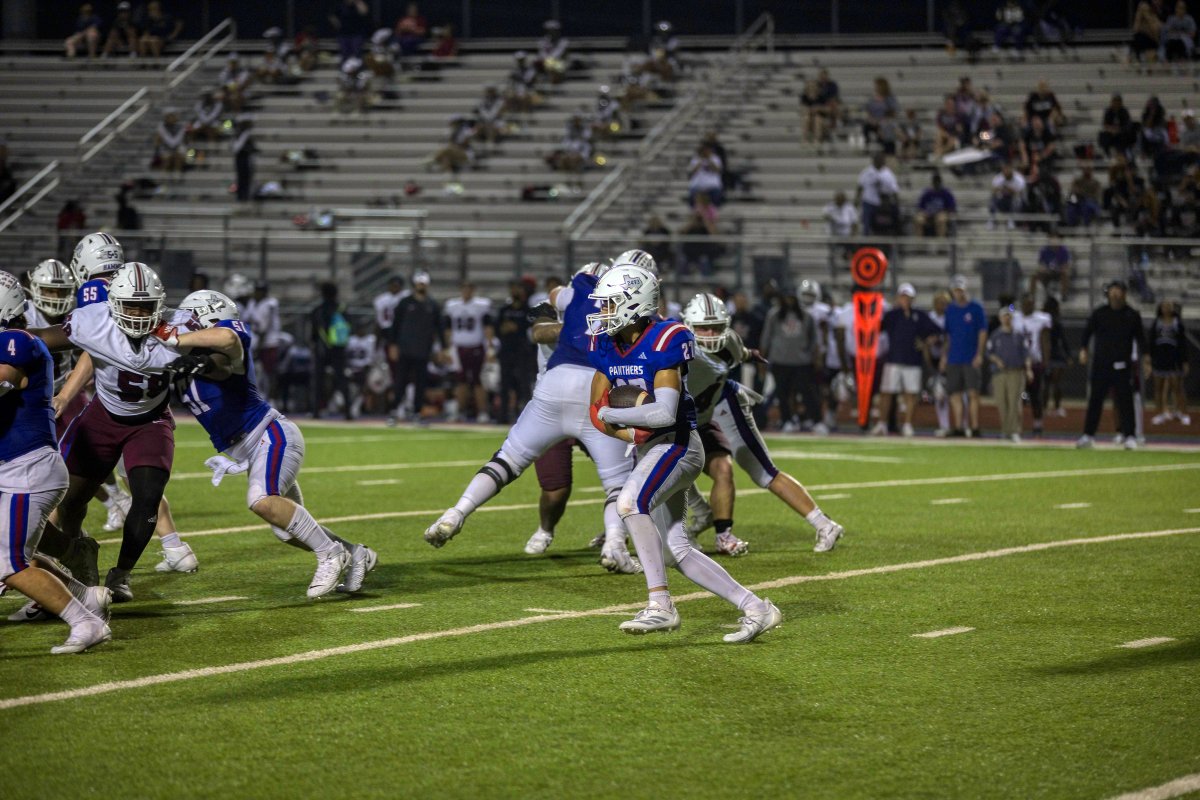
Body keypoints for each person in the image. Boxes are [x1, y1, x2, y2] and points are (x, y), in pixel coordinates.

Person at [582, 265, 782, 641]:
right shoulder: (606, 344)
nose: (602, 311)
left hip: (678, 444)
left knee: (629, 503)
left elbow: (663, 412)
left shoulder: (665, 338)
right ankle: (757, 608)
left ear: (633, 304)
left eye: (609, 303)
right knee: (676, 550)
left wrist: (614, 415)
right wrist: (627, 429)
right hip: (649, 447)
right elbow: (595, 409)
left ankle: (660, 605)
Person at [423, 259, 642, 574]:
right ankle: (614, 545)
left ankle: (456, 513)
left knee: (506, 461)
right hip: (595, 387)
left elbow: (557, 296)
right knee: (618, 483)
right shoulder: (617, 306)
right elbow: (541, 328)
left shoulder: (573, 294)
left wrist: (578, 321)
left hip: (553, 387)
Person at [165, 291, 377, 596]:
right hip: (251, 447)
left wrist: (175, 340)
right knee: (285, 530)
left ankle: (330, 553)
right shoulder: (183, 356)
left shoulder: (230, 337)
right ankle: (356, 553)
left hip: (270, 434)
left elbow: (224, 347)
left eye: (190, 319)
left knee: (261, 499)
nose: (182, 325)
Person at [30, 263, 198, 601]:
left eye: (145, 306)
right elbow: (43, 339)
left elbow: (229, 344)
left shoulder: (181, 328)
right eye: (130, 305)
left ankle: (121, 574)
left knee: (147, 498)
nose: (137, 314)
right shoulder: (94, 321)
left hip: (150, 421)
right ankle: (77, 552)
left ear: (160, 305)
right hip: (103, 417)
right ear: (114, 304)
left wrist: (208, 354)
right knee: (71, 500)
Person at [0, 271, 112, 654]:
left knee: (8, 564)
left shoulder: (16, 341)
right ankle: (86, 596)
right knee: (18, 556)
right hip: (17, 468)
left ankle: (85, 622)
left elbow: (3, 380)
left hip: (26, 470)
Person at [681, 293, 844, 555]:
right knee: (661, 466)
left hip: (720, 405)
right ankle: (689, 519)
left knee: (761, 471)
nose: (710, 334)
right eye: (703, 328)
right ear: (688, 325)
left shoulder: (729, 341)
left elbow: (741, 352)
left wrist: (750, 354)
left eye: (717, 327)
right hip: (683, 420)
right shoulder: (672, 346)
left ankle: (823, 524)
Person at [1078, 281, 1147, 449]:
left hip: (1122, 365)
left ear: (1124, 293)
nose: (1115, 294)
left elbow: (1141, 339)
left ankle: (1129, 435)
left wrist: (1147, 359)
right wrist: (1083, 349)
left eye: (1118, 291)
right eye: (1112, 291)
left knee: (1125, 402)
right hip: (1101, 364)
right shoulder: (1099, 313)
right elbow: (1087, 332)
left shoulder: (1132, 315)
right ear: (1108, 293)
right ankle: (1088, 435)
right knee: (1095, 400)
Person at [876, 284, 941, 437]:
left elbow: (937, 332)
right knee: (886, 393)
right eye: (903, 297)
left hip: (912, 361)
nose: (905, 300)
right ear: (898, 298)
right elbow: (877, 328)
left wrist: (925, 343)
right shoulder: (892, 315)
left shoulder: (920, 315)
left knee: (910, 394)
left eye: (908, 297)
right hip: (893, 360)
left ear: (913, 299)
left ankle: (907, 424)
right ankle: (882, 424)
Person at [761, 292, 820, 433]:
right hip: (780, 361)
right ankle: (786, 420)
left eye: (792, 298)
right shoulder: (774, 315)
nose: (789, 301)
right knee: (782, 393)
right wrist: (762, 360)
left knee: (807, 393)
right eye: (787, 298)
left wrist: (815, 358)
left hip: (802, 361)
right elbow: (766, 338)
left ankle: (815, 420)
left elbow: (814, 340)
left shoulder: (806, 316)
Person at [387, 271, 439, 423]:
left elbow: (439, 327)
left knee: (420, 383)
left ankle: (417, 411)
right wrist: (393, 345)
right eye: (419, 283)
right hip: (405, 348)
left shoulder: (432, 304)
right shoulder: (405, 303)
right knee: (400, 381)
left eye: (423, 283)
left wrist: (442, 348)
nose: (421, 286)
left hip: (423, 349)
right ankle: (394, 410)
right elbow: (395, 325)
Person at [940, 275, 987, 437]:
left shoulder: (976, 308)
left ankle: (974, 426)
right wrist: (944, 356)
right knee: (955, 394)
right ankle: (958, 426)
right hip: (954, 357)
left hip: (970, 357)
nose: (959, 293)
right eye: (956, 290)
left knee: (973, 393)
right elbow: (948, 336)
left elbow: (982, 332)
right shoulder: (950, 310)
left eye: (961, 290)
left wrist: (979, 354)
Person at [442, 282, 494, 423]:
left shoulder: (481, 305)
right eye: (464, 288)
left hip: (477, 347)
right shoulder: (452, 306)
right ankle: (460, 412)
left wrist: (490, 347)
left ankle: (482, 412)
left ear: (473, 290)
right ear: (460, 289)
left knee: (478, 381)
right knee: (461, 382)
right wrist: (448, 348)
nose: (466, 291)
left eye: (469, 288)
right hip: (459, 349)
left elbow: (488, 327)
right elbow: (448, 329)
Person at [987, 304, 1034, 442]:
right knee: (1001, 402)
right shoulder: (995, 335)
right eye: (1004, 316)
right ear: (1000, 318)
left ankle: (1014, 430)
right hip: (999, 373)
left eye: (1009, 316)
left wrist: (1028, 369)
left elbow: (1026, 354)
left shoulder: (1019, 335)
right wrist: (997, 360)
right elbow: (989, 353)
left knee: (1014, 402)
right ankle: (1005, 430)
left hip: (1015, 371)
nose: (1007, 319)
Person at [494, 278, 537, 424]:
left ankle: (524, 416)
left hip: (522, 352)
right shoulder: (504, 310)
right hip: (506, 351)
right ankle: (503, 415)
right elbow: (497, 329)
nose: (515, 291)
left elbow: (531, 330)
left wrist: (516, 327)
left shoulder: (528, 310)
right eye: (512, 288)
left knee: (523, 384)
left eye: (518, 288)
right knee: (505, 384)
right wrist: (504, 329)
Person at [309, 282, 352, 419]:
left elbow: (314, 333)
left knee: (319, 380)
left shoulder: (318, 310)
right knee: (342, 379)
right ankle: (348, 412)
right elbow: (349, 327)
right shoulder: (342, 308)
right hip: (338, 348)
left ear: (322, 293)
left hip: (322, 348)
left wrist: (314, 344)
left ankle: (316, 411)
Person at [1013, 293, 1053, 437]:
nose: (1028, 306)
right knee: (1019, 396)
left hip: (1035, 362)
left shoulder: (1041, 319)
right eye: (1025, 303)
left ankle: (1037, 425)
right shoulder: (1015, 317)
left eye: (1030, 303)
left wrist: (1046, 362)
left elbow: (1045, 341)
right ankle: (1017, 426)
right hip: (1018, 363)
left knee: (1036, 395)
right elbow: (1008, 310)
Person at [1147, 300, 1190, 425]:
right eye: (1164, 306)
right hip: (1159, 359)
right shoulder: (1156, 323)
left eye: (1168, 306)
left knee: (1178, 388)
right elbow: (1151, 341)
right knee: (1158, 388)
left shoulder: (1177, 323)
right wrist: (1149, 358)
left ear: (1172, 308)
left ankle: (1182, 413)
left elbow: (1183, 343)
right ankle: (1160, 413)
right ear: (1160, 308)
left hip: (1174, 359)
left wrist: (1185, 361)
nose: (1166, 308)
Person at [243, 281, 282, 400]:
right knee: (255, 373)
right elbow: (246, 320)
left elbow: (264, 328)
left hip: (269, 342)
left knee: (270, 373)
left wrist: (258, 346)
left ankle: (272, 400)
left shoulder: (270, 304)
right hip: (255, 342)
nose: (258, 293)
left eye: (260, 291)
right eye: (257, 290)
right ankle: (257, 398)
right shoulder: (252, 303)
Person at [855, 152, 899, 237]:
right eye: (877, 160)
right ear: (874, 161)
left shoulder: (888, 174)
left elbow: (894, 189)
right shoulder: (866, 172)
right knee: (866, 223)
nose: (879, 162)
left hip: (882, 204)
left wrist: (896, 203)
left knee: (882, 225)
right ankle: (866, 238)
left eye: (881, 160)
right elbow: (860, 186)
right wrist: (856, 200)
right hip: (869, 201)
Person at [1031, 234, 1072, 300]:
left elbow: (1066, 265)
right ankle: (1031, 296)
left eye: (1056, 239)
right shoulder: (1044, 250)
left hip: (1058, 272)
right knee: (1034, 275)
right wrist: (1044, 269)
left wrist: (1060, 269)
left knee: (1065, 274)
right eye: (1052, 239)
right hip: (1047, 272)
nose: (1054, 241)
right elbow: (1040, 264)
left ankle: (1064, 295)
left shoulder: (1064, 250)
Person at [989, 162, 1026, 227]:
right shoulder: (999, 177)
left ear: (1011, 170)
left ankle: (1011, 220)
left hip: (1014, 200)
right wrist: (1001, 190)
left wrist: (1011, 191)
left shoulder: (1019, 178)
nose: (1006, 172)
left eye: (1008, 170)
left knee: (1017, 200)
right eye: (1004, 170)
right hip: (1003, 199)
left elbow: (1021, 192)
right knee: (993, 199)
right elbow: (993, 190)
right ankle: (992, 220)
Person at [232, 116, 256, 202]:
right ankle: (241, 195)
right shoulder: (241, 134)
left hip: (246, 157)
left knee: (246, 177)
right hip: (241, 158)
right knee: (242, 177)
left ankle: (245, 195)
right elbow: (236, 147)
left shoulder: (244, 134)